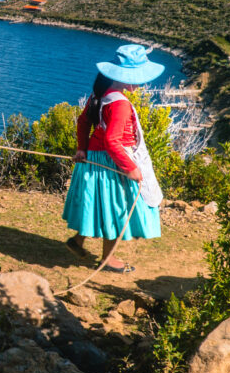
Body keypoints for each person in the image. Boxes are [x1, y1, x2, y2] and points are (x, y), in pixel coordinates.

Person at [62, 44, 165, 273]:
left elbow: (84, 122)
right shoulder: (120, 104)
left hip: (95, 161)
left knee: (98, 206)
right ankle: (108, 259)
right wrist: (130, 168)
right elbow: (113, 140)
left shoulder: (101, 94)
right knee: (117, 209)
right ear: (129, 78)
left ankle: (77, 242)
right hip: (112, 164)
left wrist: (82, 149)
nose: (140, 83)